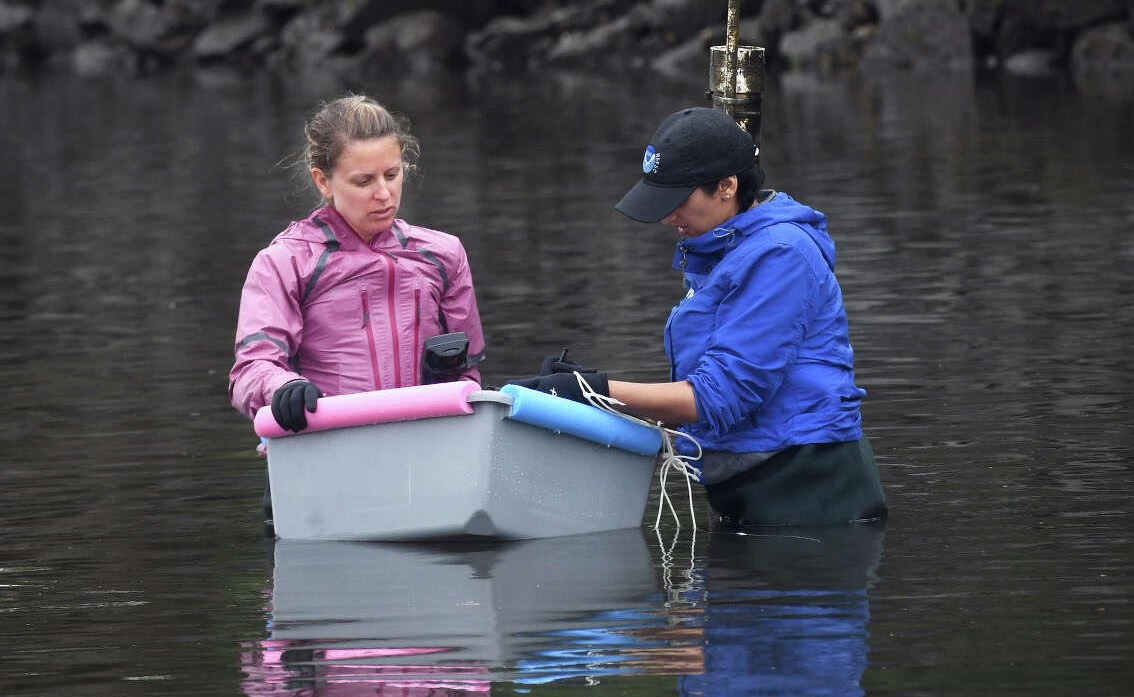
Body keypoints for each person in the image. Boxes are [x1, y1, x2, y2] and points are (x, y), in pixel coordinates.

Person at [525, 106, 886, 528]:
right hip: (751, 487)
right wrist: (592, 394)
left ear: (726, 186)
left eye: (677, 199)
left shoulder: (780, 255)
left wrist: (593, 390)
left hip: (810, 488)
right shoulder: (722, 248)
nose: (665, 216)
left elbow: (719, 396)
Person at [230, 94, 485, 432]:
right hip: (322, 449)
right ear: (323, 181)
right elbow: (251, 368)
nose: (383, 193)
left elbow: (468, 376)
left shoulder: (444, 254)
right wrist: (283, 387)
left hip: (427, 451)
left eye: (392, 174)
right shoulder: (284, 262)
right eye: (364, 181)